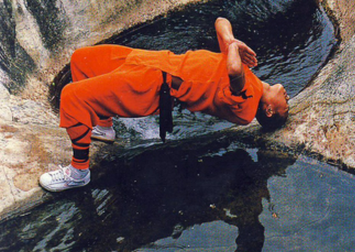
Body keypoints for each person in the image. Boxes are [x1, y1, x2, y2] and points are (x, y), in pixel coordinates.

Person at [39, 17, 289, 192]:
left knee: (72, 96)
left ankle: (78, 173)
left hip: (155, 84)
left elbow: (234, 69)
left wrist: (232, 46)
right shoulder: (253, 80)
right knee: (82, 58)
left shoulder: (246, 103)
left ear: (268, 110)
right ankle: (103, 127)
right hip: (158, 62)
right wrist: (230, 40)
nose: (287, 98)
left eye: (285, 106)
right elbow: (221, 21)